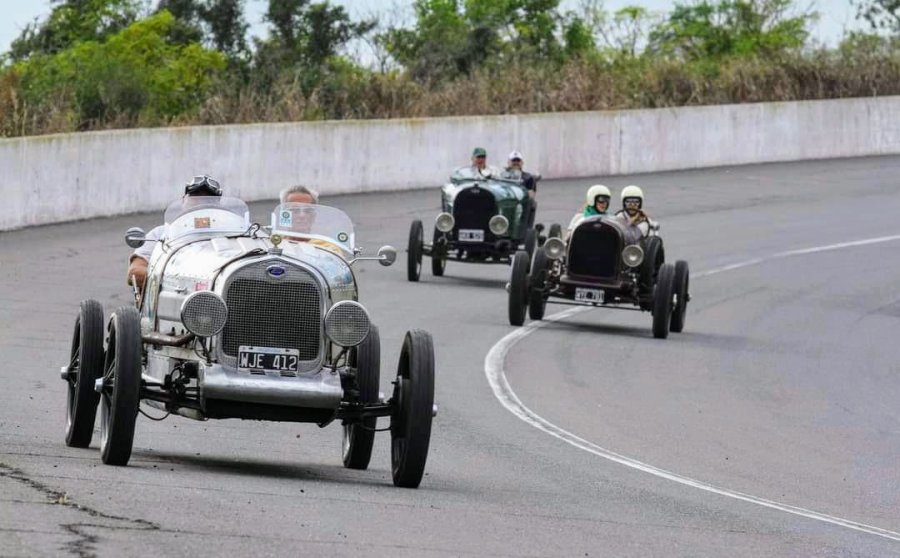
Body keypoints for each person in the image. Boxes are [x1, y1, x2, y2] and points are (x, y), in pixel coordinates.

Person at [126, 175, 222, 290]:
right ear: (183, 200)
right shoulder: (161, 233)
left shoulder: (229, 236)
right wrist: (176, 282)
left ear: (218, 206)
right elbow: (135, 273)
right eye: (195, 197)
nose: (201, 203)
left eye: (209, 199)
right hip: (173, 295)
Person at [503, 150, 539, 227]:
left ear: (522, 162)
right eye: (513, 160)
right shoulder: (502, 176)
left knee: (530, 204)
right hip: (506, 203)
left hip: (521, 204)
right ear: (508, 162)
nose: (516, 163)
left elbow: (531, 196)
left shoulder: (528, 177)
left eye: (518, 160)